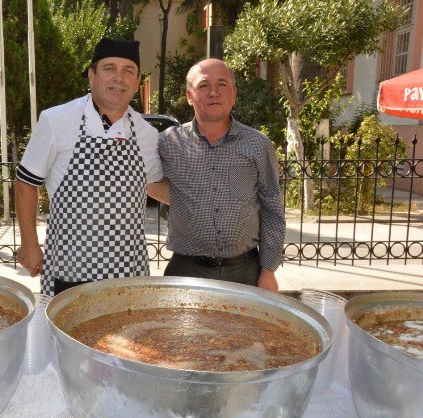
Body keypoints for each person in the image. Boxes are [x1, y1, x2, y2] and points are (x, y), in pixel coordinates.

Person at [15, 38, 163, 298]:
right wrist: (29, 244)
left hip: (129, 274)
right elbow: (26, 182)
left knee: (129, 338)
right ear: (91, 76)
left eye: (129, 70)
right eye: (109, 68)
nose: (119, 78)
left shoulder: (146, 133)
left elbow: (153, 186)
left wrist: (198, 198)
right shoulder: (56, 120)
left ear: (137, 82)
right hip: (71, 271)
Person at [148, 58, 285, 292]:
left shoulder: (258, 145)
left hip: (246, 273)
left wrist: (268, 271)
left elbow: (272, 209)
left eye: (222, 84)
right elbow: (140, 174)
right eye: (203, 86)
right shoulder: (168, 144)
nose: (214, 92)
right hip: (186, 272)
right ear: (189, 97)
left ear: (234, 94)